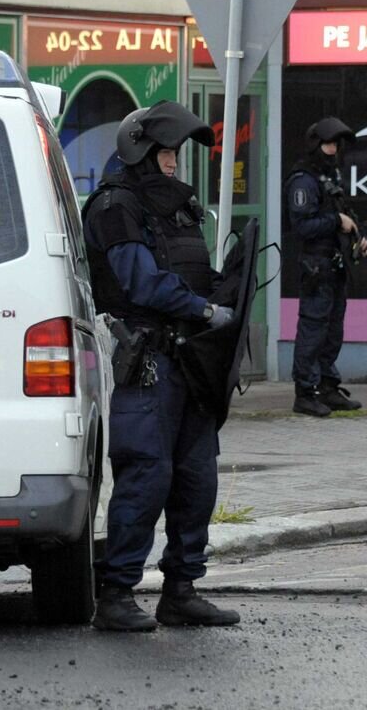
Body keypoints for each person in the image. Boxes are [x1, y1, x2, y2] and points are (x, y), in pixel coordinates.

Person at [83, 100, 242, 632]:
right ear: (142, 152)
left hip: (192, 363)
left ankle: (181, 589)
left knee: (197, 478)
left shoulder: (178, 207)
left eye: (176, 154)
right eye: (166, 153)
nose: (173, 163)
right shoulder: (115, 206)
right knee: (147, 476)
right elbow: (141, 281)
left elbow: (189, 268)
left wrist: (227, 285)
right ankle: (117, 593)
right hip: (148, 362)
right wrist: (203, 308)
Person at [284, 116, 367, 418]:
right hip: (316, 267)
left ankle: (328, 387)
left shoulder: (330, 177)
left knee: (332, 330)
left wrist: (356, 235)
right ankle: (305, 392)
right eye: (328, 144)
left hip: (335, 265)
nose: (333, 150)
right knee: (313, 329)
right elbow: (302, 226)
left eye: (336, 144)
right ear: (315, 144)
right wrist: (337, 222)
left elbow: (342, 214)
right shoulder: (303, 180)